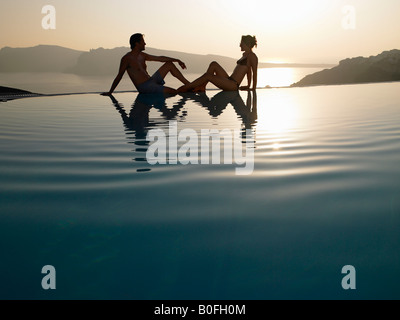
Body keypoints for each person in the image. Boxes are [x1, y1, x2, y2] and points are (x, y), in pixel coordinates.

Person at [102, 33, 190, 96]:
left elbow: (160, 58)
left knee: (169, 64)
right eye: (143, 41)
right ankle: (172, 121)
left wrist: (177, 60)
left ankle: (189, 85)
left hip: (152, 80)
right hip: (145, 87)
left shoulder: (142, 55)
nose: (145, 43)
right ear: (137, 44)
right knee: (173, 92)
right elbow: (119, 76)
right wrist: (110, 92)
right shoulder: (126, 58)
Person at [178, 35, 258, 92]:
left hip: (233, 85)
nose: (240, 45)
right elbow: (248, 71)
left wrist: (252, 88)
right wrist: (248, 85)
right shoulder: (245, 55)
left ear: (247, 44)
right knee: (214, 64)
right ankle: (203, 86)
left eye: (241, 43)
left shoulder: (253, 57)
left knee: (208, 76)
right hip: (230, 80)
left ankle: (186, 87)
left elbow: (254, 73)